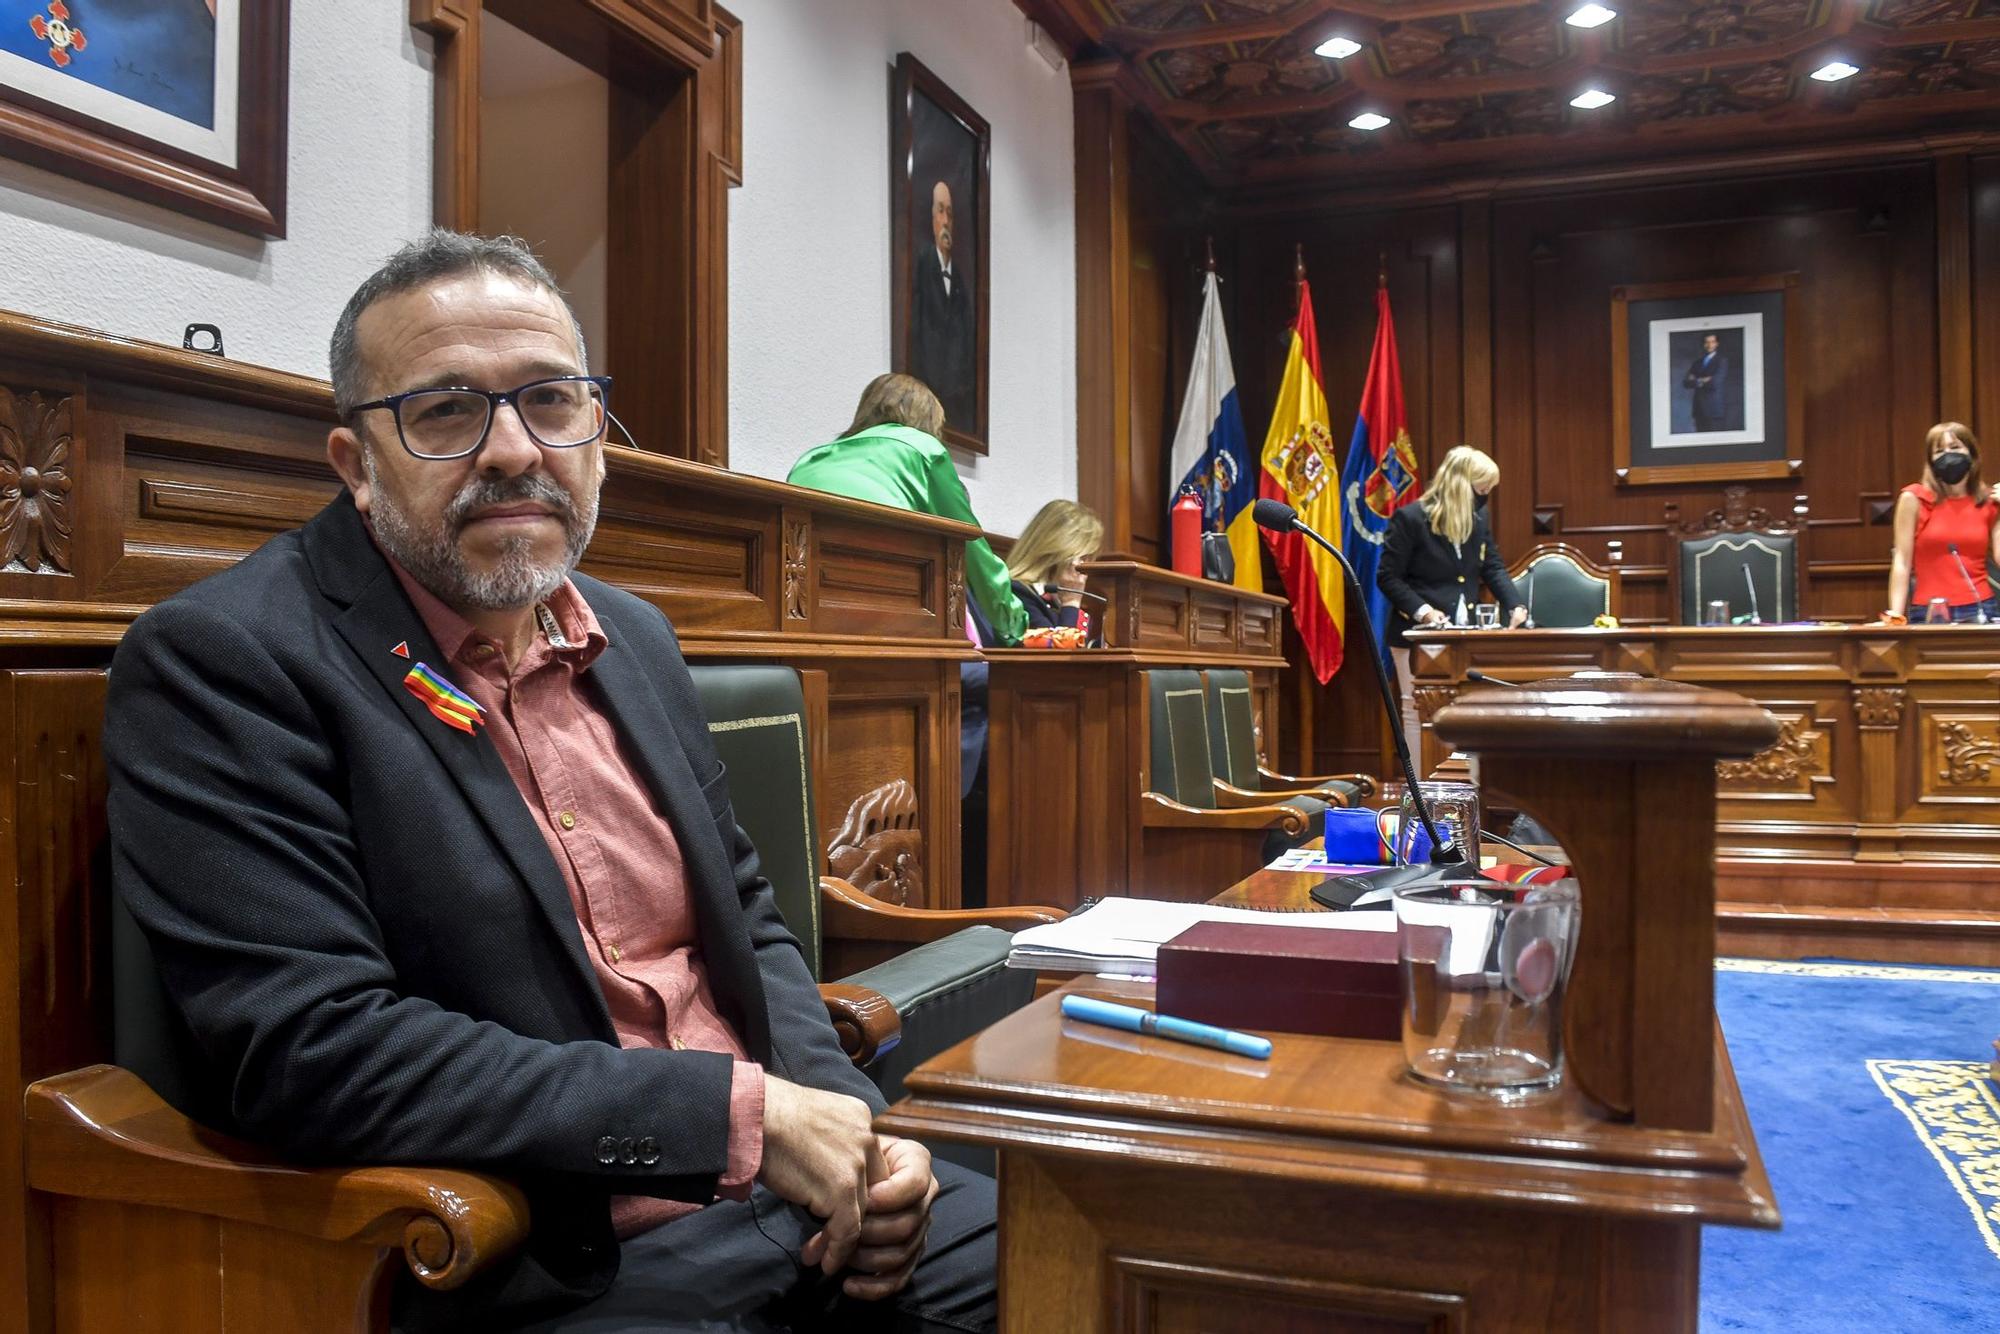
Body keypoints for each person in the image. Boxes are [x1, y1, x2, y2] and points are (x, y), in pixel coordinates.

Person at [104, 231, 995, 1334]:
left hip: (795, 1197)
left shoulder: (636, 636)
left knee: (1115, 1260)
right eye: (444, 412)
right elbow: (313, 1048)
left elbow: (750, 921)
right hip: (543, 1254)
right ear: (353, 462)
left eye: (551, 401)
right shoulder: (228, 660)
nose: (514, 449)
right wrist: (735, 1116)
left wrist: (851, 1129)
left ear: (597, 436)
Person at [787, 374, 1026, 646]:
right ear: (929, 421)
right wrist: (1012, 623)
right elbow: (971, 545)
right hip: (892, 609)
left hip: (810, 612)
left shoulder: (809, 459)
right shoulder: (924, 450)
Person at [1377, 445, 1527, 762]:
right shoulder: (1411, 519)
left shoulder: (1478, 517)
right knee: (1417, 709)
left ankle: (1461, 790)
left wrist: (1515, 605)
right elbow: (1388, 577)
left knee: (1464, 709)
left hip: (1464, 632)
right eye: (1482, 489)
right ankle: (1422, 789)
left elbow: (1493, 567)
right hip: (1415, 634)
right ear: (1460, 485)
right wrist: (1424, 611)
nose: (1485, 496)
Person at [1885, 421, 1999, 624]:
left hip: (1980, 607)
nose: (1948, 455)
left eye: (1955, 448)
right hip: (1929, 609)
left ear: (1971, 454)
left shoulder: (1989, 500)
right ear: (1931, 461)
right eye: (1939, 451)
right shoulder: (1914, 499)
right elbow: (1902, 560)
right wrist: (1895, 613)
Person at [908, 181, 975, 430]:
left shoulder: (960, 281)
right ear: (931, 218)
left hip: (954, 401)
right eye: (940, 210)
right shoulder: (921, 265)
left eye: (950, 212)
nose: (946, 220)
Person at [1005, 499, 1103, 631]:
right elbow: (1059, 649)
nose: (1085, 566)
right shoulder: (1018, 593)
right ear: (1061, 553)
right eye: (1083, 557)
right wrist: (1071, 602)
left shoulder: (1056, 597)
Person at [1683, 332, 1729, 433]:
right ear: (1704, 344)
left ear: (1717, 344)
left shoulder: (1722, 361)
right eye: (1707, 342)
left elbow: (1715, 383)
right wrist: (1703, 380)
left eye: (1712, 342)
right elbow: (1686, 383)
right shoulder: (1697, 363)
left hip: (1714, 409)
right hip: (1699, 409)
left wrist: (1696, 380)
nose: (1709, 345)